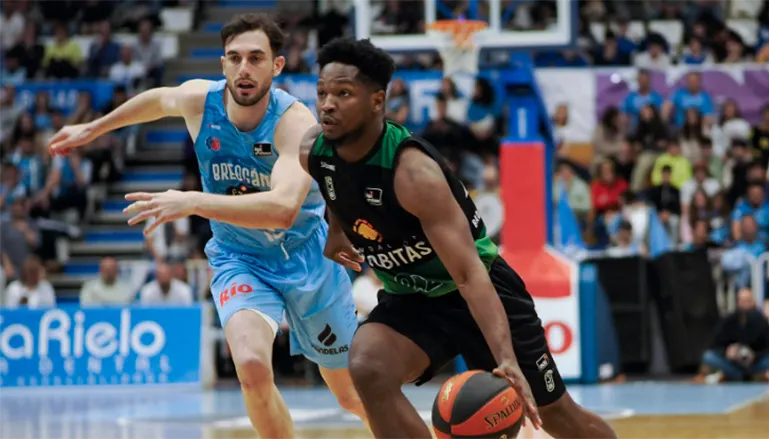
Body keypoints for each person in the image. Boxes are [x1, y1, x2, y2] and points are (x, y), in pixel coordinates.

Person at [47, 14, 366, 439]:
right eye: (234, 58)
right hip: (240, 257)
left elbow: (283, 209)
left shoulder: (295, 123)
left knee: (350, 396)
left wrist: (193, 202)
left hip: (306, 256)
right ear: (222, 64)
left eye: (256, 58)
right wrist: (93, 128)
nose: (244, 69)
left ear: (277, 66)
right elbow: (160, 99)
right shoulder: (202, 101)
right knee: (251, 367)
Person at [302, 37, 618, 439]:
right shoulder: (313, 151)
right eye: (322, 92)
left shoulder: (414, 175)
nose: (327, 104)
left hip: (480, 290)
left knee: (557, 416)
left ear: (377, 101)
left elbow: (470, 274)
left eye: (343, 93)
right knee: (368, 366)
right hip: (413, 299)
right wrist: (336, 229)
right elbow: (337, 186)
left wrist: (507, 360)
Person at [699, 288, 769, 382]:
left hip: (755, 363)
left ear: (753, 302)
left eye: (747, 301)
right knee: (708, 356)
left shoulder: (761, 321)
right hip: (732, 363)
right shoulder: (728, 320)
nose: (745, 305)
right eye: (742, 301)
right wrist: (727, 352)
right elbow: (714, 345)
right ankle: (739, 375)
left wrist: (755, 355)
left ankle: (739, 375)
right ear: (737, 302)